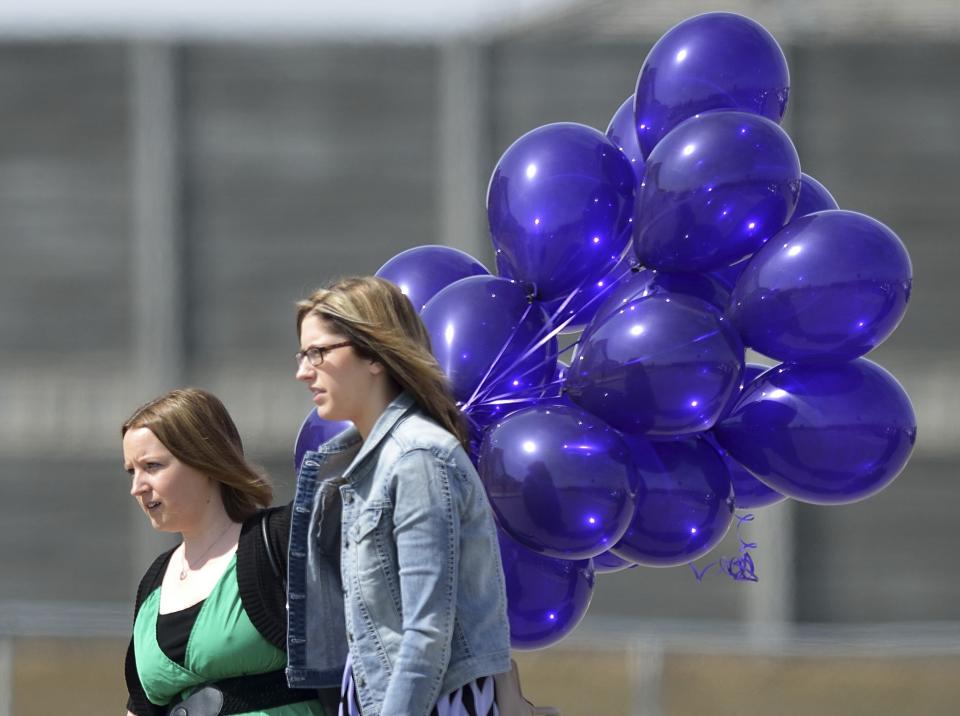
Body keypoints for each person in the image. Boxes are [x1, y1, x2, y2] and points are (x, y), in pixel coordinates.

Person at [288, 276, 512, 716]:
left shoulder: (418, 459)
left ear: (374, 355)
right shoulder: (364, 461)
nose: (302, 371)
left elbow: (427, 633)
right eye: (302, 354)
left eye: (318, 353)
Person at [122, 388, 345, 716]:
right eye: (131, 471)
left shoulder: (279, 541)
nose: (137, 487)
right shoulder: (153, 581)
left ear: (205, 460)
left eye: (152, 466)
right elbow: (140, 707)